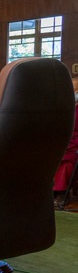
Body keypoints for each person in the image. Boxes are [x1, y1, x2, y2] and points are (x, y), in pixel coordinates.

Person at [54, 76, 78, 204]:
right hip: (60, 142)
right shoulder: (64, 107)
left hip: (73, 145)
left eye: (76, 90)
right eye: (72, 90)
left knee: (67, 162)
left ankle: (61, 193)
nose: (74, 93)